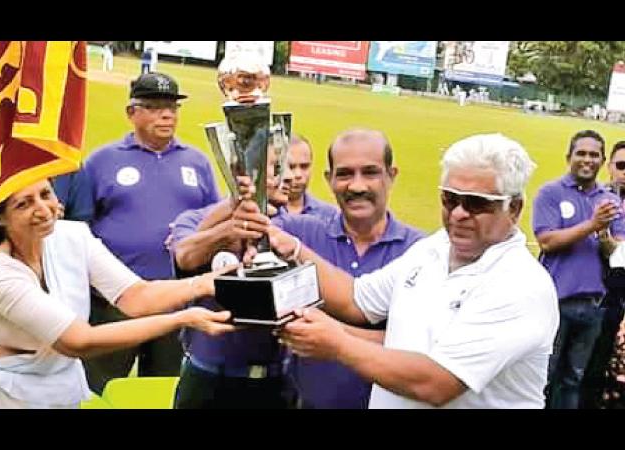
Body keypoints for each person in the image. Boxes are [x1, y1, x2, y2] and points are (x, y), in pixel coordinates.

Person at [272, 133, 558, 409]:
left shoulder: (519, 284)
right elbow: (356, 299)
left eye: (476, 203)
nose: (459, 213)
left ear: (515, 208)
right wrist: (290, 247)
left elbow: (436, 383)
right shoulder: (433, 248)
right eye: (450, 199)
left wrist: (338, 343)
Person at [0, 178, 235, 408]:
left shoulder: (72, 236)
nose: (42, 209)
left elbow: (136, 297)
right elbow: (79, 341)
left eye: (45, 194)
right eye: (24, 204)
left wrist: (207, 283)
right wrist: (183, 318)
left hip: (57, 389)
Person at [52, 72, 219, 393]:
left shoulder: (197, 162)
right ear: (132, 113)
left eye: (172, 107)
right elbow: (81, 225)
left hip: (175, 301)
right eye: (155, 107)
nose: (167, 115)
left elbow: (211, 222)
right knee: (95, 388)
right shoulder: (103, 160)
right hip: (114, 302)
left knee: (163, 389)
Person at [272, 129, 423, 409]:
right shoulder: (301, 231)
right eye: (344, 174)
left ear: (392, 175)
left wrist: (335, 335)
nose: (357, 186)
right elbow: (249, 228)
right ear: (328, 179)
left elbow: (419, 348)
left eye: (370, 173)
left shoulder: (420, 251)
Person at [170, 144, 300, 409]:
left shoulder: (307, 224)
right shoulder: (195, 220)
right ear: (239, 175)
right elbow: (184, 256)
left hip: (279, 380)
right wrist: (230, 229)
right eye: (275, 169)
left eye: (296, 167)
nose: (288, 177)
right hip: (207, 378)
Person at [533, 130, 625, 409]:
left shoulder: (609, 199)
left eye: (594, 154)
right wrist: (592, 225)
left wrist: (606, 237)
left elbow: (616, 252)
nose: (587, 160)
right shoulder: (551, 193)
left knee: (574, 379)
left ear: (602, 161)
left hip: (593, 305)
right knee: (544, 377)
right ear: (568, 157)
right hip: (555, 302)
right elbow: (547, 241)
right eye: (581, 153)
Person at [580, 140, 625, 408]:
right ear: (609, 166)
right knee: (589, 365)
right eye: (621, 165)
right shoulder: (595, 198)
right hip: (597, 292)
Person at [281, 135, 337, 220]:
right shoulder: (263, 213)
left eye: (304, 167)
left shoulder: (330, 216)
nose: (298, 174)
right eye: (291, 167)